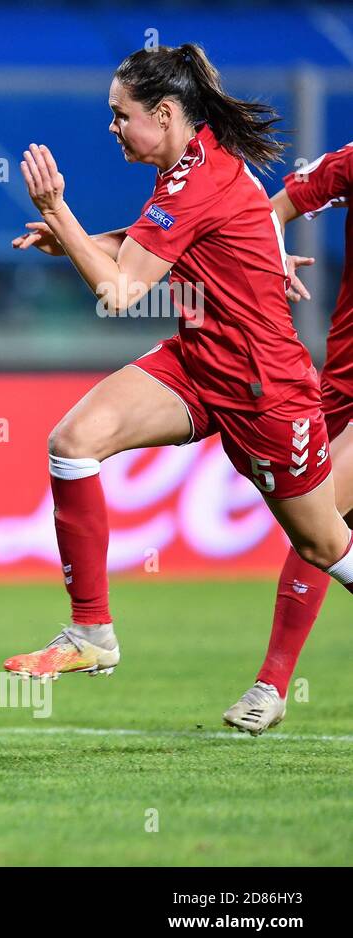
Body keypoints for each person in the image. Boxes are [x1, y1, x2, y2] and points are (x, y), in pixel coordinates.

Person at [3, 44, 353, 690]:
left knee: (325, 547)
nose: (112, 128)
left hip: (265, 389)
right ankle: (91, 632)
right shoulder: (193, 166)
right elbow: (153, 244)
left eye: (120, 115)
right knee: (73, 443)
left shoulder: (197, 179)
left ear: (164, 114)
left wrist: (59, 211)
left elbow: (119, 292)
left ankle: (270, 680)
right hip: (198, 363)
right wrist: (80, 240)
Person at [221, 141, 353, 733]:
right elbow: (268, 213)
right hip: (338, 383)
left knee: (322, 523)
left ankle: (271, 686)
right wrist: (267, 257)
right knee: (322, 531)